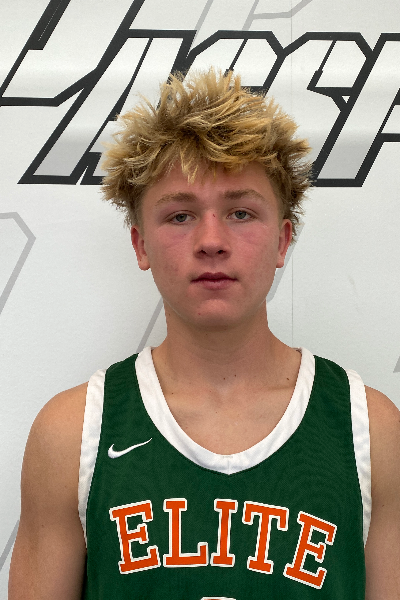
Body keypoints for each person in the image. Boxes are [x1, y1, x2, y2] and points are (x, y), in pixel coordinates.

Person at [9, 69, 400, 599]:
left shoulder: (369, 430)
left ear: (282, 241)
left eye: (241, 212)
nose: (211, 240)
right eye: (180, 216)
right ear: (140, 245)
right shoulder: (72, 433)